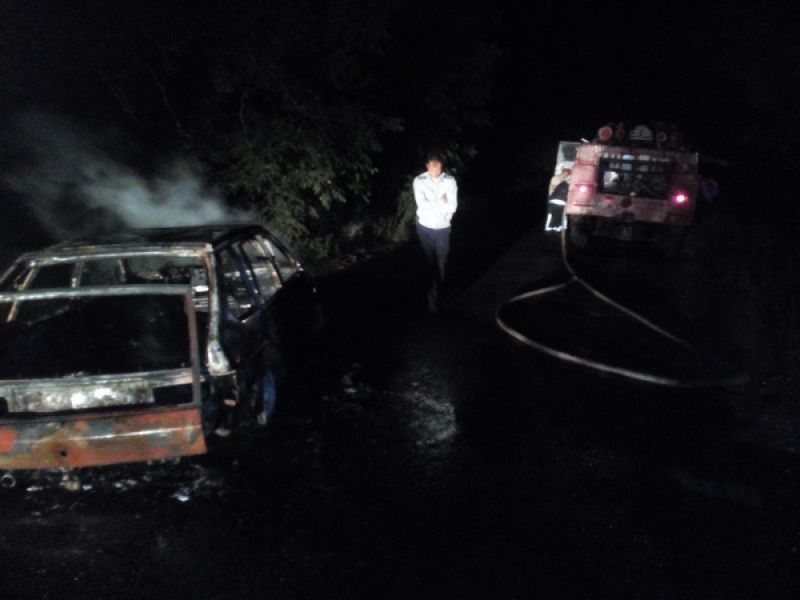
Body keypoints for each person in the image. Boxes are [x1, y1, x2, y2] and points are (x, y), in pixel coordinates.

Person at [413, 151, 458, 313]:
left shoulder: (450, 181)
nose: (436, 172)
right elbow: (422, 206)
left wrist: (433, 204)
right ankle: (429, 298)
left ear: (441, 166)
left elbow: (452, 207)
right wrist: (441, 201)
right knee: (427, 263)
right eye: (433, 169)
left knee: (441, 264)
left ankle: (436, 297)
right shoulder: (419, 181)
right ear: (427, 166)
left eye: (438, 169)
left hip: (443, 228)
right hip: (424, 227)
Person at [545, 168, 570, 232]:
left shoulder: (557, 178)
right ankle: (555, 227)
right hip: (559, 200)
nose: (566, 175)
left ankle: (552, 227)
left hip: (554, 200)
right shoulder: (559, 179)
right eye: (567, 173)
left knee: (553, 214)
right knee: (556, 214)